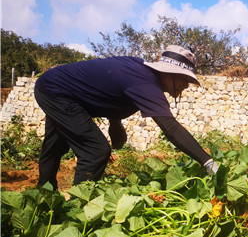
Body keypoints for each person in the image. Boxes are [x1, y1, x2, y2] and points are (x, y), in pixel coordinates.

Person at [34, 45, 219, 189]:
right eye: (184, 80)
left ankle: (44, 196)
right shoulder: (146, 83)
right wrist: (208, 162)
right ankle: (75, 210)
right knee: (95, 151)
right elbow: (171, 128)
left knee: (55, 146)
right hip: (57, 91)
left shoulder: (138, 73)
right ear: (170, 73)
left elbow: (112, 96)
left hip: (55, 85)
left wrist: (115, 122)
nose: (186, 86)